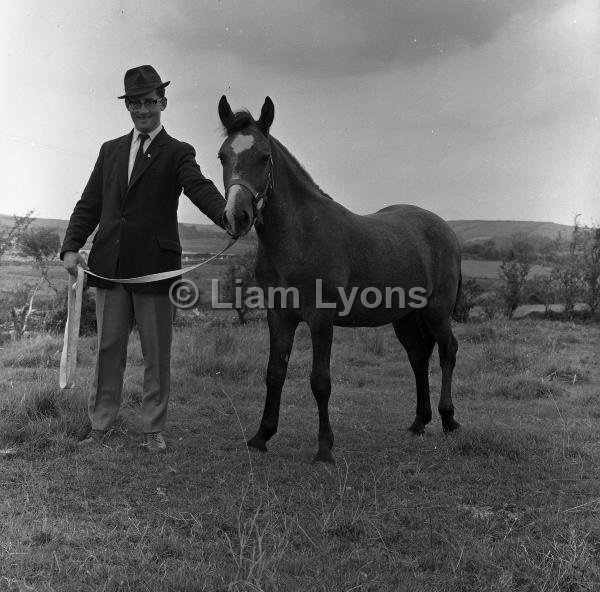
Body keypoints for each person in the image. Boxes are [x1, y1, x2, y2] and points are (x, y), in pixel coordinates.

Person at [61, 65, 227, 451]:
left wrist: (226, 216)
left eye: (149, 102)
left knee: (156, 352)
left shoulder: (179, 152)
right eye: (134, 103)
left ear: (163, 102)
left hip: (155, 269)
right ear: (128, 107)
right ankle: (101, 424)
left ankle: (153, 428)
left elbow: (199, 188)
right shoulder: (111, 150)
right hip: (110, 268)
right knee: (108, 350)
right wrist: (72, 245)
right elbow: (89, 204)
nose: (142, 110)